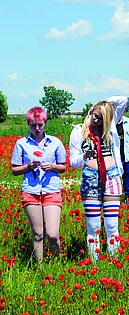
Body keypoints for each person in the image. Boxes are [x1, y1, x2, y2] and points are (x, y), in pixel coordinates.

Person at [69, 96, 128, 261]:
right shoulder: (78, 132)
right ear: (90, 111)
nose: (96, 120)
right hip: (90, 179)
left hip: (112, 177)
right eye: (95, 115)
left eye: (101, 119)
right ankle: (94, 263)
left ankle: (114, 260)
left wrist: (105, 104)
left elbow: (123, 100)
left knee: (111, 225)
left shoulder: (110, 128)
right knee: (93, 226)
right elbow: (73, 162)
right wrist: (84, 156)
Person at [11, 107, 66, 262]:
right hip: (31, 190)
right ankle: (40, 268)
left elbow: (63, 167)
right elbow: (14, 170)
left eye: (40, 125)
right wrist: (28, 167)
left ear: (45, 123)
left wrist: (53, 166)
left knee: (52, 234)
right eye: (33, 125)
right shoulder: (21, 143)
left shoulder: (55, 142)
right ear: (28, 124)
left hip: (51, 190)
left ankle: (56, 263)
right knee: (38, 233)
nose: (37, 128)